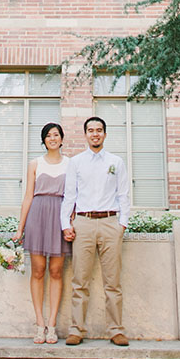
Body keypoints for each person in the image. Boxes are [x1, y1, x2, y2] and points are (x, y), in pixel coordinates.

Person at [60, 116, 131, 346]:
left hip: (110, 222)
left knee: (113, 281)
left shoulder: (116, 162)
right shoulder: (76, 162)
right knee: (80, 280)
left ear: (105, 134)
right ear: (85, 135)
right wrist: (65, 224)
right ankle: (76, 329)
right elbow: (69, 195)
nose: (95, 134)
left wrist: (123, 224)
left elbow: (124, 194)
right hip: (84, 223)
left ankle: (116, 329)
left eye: (99, 130)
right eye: (91, 130)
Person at [15, 122, 71, 345]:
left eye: (56, 134)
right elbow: (28, 195)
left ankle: (52, 324)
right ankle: (39, 324)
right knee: (38, 270)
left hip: (60, 215)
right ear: (44, 140)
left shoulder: (70, 163)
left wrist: (71, 222)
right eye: (48, 135)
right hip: (38, 215)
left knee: (56, 271)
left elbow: (74, 196)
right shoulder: (34, 163)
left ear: (62, 138)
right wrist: (20, 227)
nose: (52, 138)